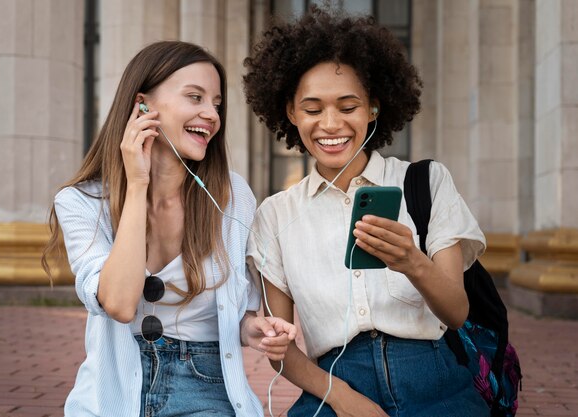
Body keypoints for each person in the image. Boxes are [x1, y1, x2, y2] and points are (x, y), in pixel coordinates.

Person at [243, 7, 490, 417]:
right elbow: (279, 348)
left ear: (373, 108)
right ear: (290, 112)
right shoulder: (275, 215)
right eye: (312, 108)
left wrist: (412, 262)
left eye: (348, 105)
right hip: (334, 384)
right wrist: (344, 400)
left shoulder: (426, 183)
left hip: (433, 377)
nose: (330, 123)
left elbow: (456, 311)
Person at [42, 40, 296, 417]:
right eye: (195, 97)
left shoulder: (231, 197)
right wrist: (138, 183)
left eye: (216, 104)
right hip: (112, 392)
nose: (211, 114)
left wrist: (251, 329)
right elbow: (119, 304)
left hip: (206, 386)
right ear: (142, 105)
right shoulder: (81, 202)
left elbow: (239, 312)